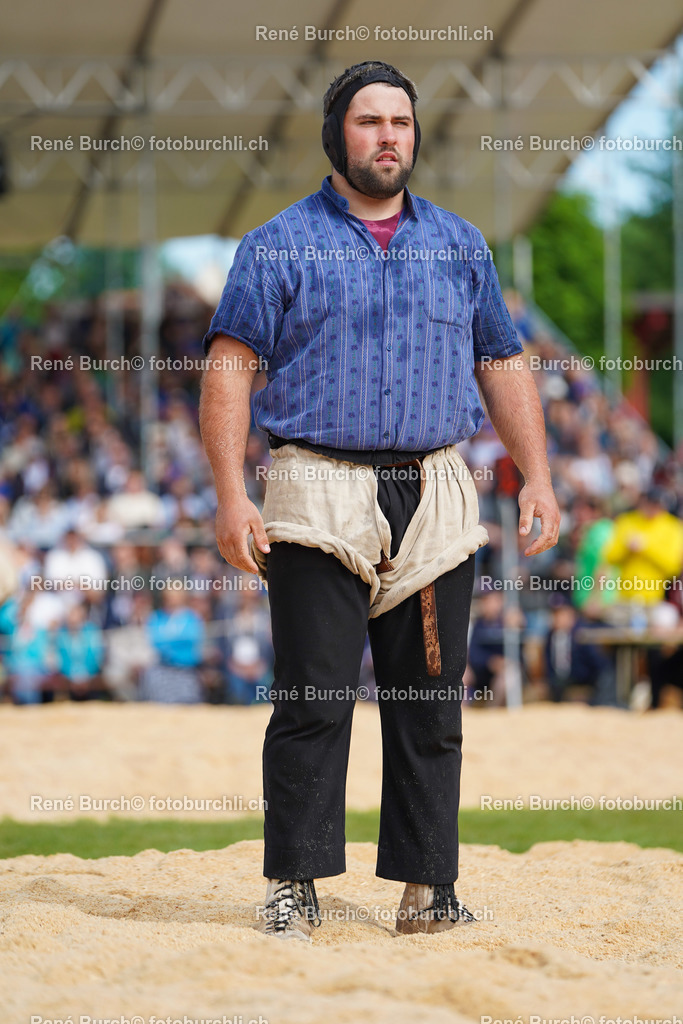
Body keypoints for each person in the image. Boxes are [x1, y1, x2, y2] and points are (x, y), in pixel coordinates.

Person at [200, 60, 560, 942]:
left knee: (430, 706)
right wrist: (226, 495)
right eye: (369, 122)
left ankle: (427, 888)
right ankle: (295, 882)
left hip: (436, 491)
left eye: (400, 121)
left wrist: (538, 475)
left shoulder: (459, 244)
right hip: (313, 488)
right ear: (337, 137)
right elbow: (229, 367)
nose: (388, 136)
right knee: (314, 698)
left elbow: (502, 362)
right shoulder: (277, 244)